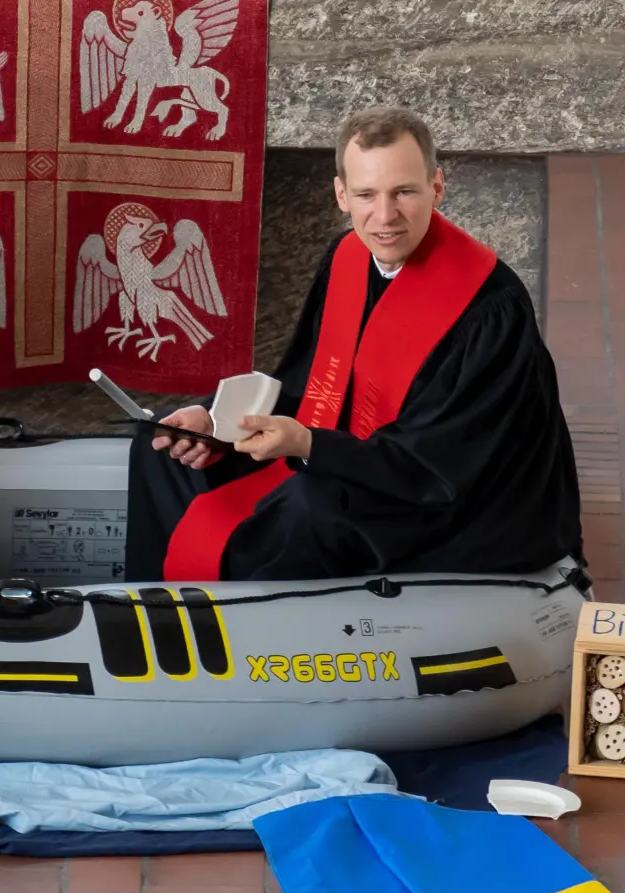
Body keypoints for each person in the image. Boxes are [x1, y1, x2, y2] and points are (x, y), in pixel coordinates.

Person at [123, 105, 583, 583]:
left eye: (404, 192)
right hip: (349, 453)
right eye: (366, 194)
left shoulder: (490, 308)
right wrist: (217, 421)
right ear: (341, 195)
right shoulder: (346, 259)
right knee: (161, 452)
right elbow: (309, 386)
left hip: (456, 497)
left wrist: (309, 446)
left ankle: (247, 644)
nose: (385, 217)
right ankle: (152, 615)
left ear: (437, 187)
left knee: (309, 507)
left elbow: (442, 462)